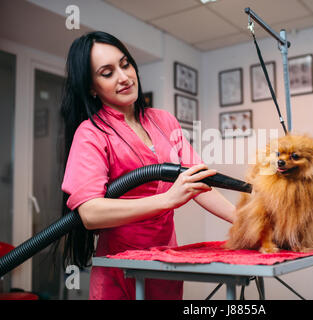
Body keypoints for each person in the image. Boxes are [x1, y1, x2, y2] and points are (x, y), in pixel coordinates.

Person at [60, 31, 236, 300]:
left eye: (125, 64)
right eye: (107, 73)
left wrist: (248, 222)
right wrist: (167, 200)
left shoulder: (164, 121)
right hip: (120, 267)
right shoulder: (91, 133)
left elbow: (200, 181)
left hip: (165, 263)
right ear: (91, 87)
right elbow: (91, 212)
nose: (124, 77)